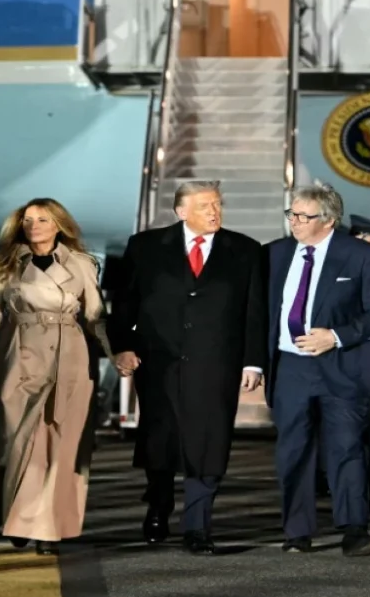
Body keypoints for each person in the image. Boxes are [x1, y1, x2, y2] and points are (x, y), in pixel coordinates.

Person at [107, 180, 267, 554]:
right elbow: (125, 303)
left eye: (217, 204)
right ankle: (159, 505)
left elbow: (254, 311)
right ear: (181, 212)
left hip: (217, 363)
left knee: (209, 442)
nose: (214, 212)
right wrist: (123, 347)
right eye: (204, 206)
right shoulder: (144, 246)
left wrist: (253, 362)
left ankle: (197, 526)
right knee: (161, 438)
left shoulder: (245, 249)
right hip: (159, 362)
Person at [0, 198, 109, 555]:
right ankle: (17, 515)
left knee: (61, 447)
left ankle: (46, 529)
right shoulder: (2, 264)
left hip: (69, 360)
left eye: (43, 219)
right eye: (28, 220)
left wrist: (118, 352)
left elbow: (95, 315)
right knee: (19, 444)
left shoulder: (81, 264)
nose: (34, 226)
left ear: (59, 225)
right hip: (19, 359)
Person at [264, 186, 370, 555]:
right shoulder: (275, 254)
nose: (294, 222)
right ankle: (297, 532)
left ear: (329, 220)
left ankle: (354, 531)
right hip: (290, 367)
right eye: (291, 214)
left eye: (303, 216)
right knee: (293, 451)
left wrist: (336, 336)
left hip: (343, 365)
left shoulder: (360, 255)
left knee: (347, 448)